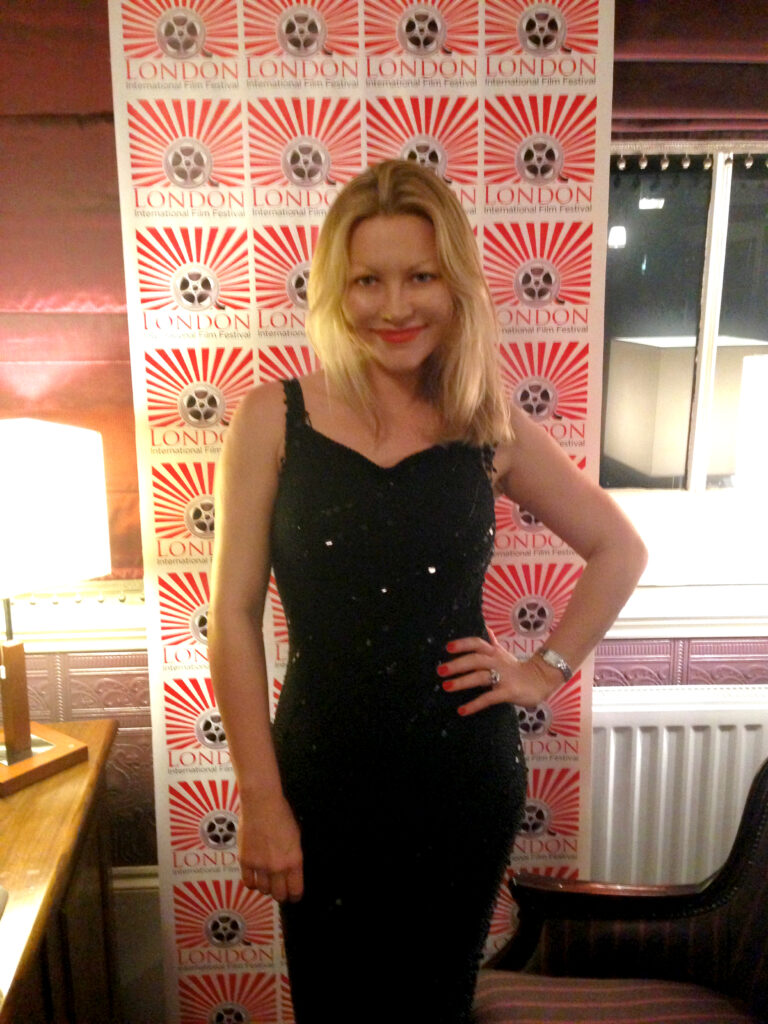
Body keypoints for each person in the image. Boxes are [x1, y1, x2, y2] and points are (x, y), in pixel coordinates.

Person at [209, 159, 647, 1023]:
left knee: (436, 1006)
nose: (395, 306)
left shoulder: (489, 422)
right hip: (318, 779)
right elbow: (231, 616)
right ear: (337, 289)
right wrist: (260, 796)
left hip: (461, 781)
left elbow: (618, 548)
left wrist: (544, 669)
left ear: (455, 285)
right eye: (367, 280)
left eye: (420, 276)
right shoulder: (271, 418)